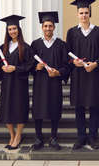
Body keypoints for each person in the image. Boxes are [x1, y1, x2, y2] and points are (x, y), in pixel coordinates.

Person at [66, 0, 99, 150]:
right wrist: (73, 62)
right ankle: (81, 137)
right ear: (77, 14)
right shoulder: (72, 32)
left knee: (93, 107)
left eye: (86, 12)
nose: (84, 15)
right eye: (81, 13)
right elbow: (67, 54)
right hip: (78, 75)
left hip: (94, 74)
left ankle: (92, 137)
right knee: (79, 106)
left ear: (90, 13)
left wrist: (96, 64)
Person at [30, 11, 70, 151]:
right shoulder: (35, 45)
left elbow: (67, 65)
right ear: (42, 27)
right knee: (38, 109)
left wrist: (58, 72)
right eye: (45, 26)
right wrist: (36, 66)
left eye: (50, 26)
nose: (48, 28)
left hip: (54, 83)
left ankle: (53, 137)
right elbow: (29, 65)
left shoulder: (61, 45)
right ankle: (38, 137)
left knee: (54, 108)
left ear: (54, 27)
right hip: (40, 83)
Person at [0, 15, 34, 150]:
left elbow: (30, 66)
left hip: (19, 83)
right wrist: (1, 68)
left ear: (19, 29)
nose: (12, 31)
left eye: (15, 28)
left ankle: (18, 136)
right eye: (10, 29)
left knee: (19, 108)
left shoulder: (25, 47)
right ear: (7, 31)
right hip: (7, 83)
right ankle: (11, 135)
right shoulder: (2, 48)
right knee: (7, 108)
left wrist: (16, 68)